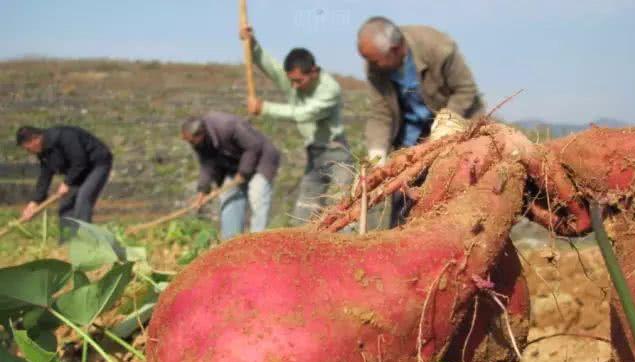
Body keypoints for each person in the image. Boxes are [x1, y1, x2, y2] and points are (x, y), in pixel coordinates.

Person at [357, 16, 484, 227]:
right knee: (402, 192)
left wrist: (447, 122)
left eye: (374, 60)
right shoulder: (375, 68)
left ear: (396, 49)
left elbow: (465, 90)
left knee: (454, 192)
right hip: (411, 135)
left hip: (455, 125)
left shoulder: (438, 48)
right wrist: (377, 152)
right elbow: (381, 113)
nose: (370, 66)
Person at [240, 25, 353, 225]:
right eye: (291, 81)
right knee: (303, 214)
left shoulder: (330, 90)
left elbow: (304, 114)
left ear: (314, 72)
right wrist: (252, 44)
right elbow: (270, 66)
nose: (293, 86)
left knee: (344, 209)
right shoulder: (294, 82)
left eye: (298, 81)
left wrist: (264, 108)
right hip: (314, 155)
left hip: (337, 154)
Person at [181, 112, 280, 240]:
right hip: (236, 165)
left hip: (262, 160)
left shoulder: (227, 125)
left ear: (200, 134)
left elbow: (254, 146)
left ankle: (258, 243)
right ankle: (230, 243)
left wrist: (243, 172)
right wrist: (202, 191)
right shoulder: (199, 142)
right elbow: (206, 164)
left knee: (257, 196)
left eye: (192, 141)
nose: (191, 144)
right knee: (228, 196)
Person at [16, 125, 113, 238]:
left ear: (35, 140)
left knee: (83, 197)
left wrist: (67, 182)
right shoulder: (43, 152)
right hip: (78, 171)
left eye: (28, 148)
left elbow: (79, 160)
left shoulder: (64, 136)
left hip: (97, 164)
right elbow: (45, 176)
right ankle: (66, 242)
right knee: (66, 204)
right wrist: (34, 202)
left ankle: (86, 241)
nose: (29, 151)